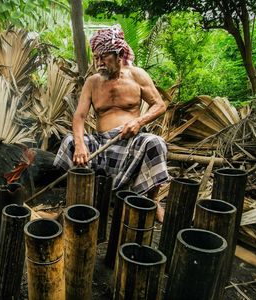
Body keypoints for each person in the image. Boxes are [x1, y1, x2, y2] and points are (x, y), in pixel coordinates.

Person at [53, 25, 169, 221]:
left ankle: (152, 201)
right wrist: (81, 145)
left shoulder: (137, 75)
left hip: (130, 141)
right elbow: (79, 116)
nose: (99, 63)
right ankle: (77, 199)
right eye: (96, 57)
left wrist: (138, 122)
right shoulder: (92, 82)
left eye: (104, 57)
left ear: (119, 54)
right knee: (70, 142)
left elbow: (159, 105)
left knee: (155, 143)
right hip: (101, 144)